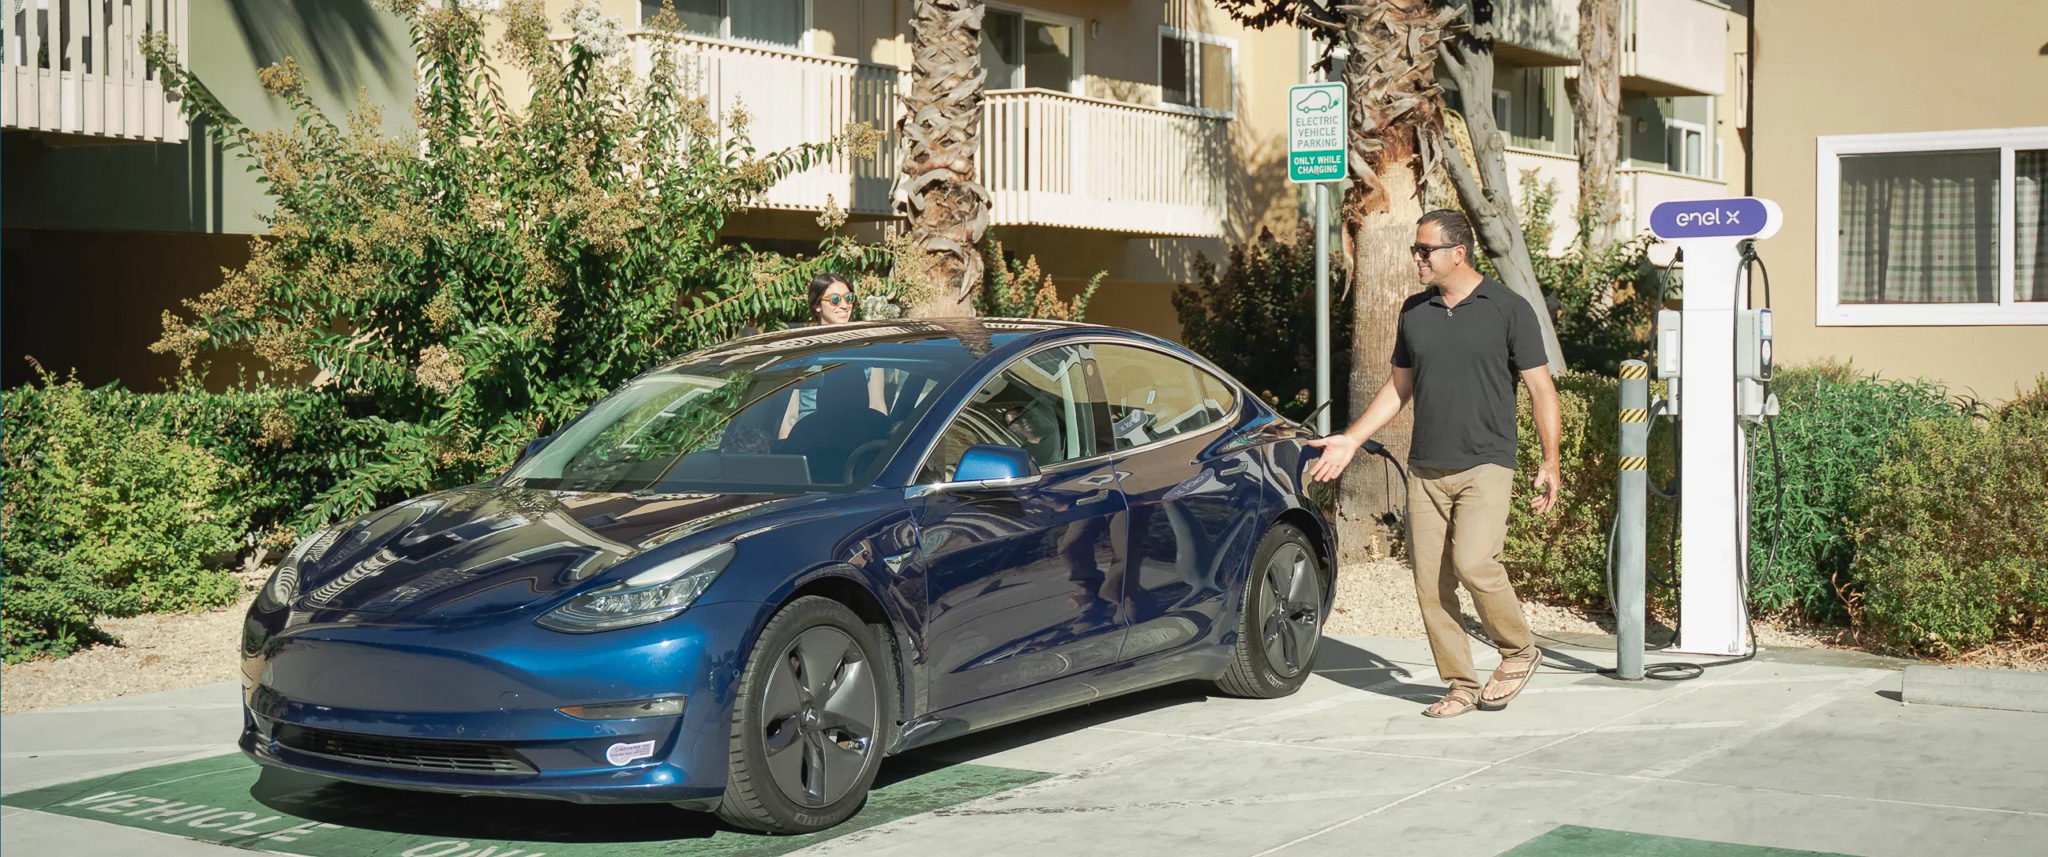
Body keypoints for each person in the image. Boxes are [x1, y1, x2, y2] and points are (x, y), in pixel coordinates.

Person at [1305, 209, 1562, 719]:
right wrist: (1351, 440)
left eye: (1425, 250)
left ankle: (1519, 650)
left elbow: (1540, 388)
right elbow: (1399, 387)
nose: (1416, 258)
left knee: (1474, 563)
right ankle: (1461, 685)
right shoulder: (1414, 312)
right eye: (1415, 249)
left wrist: (1550, 460)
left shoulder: (1508, 309)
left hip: (1486, 462)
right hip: (1425, 468)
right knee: (1430, 583)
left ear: (1458, 253)